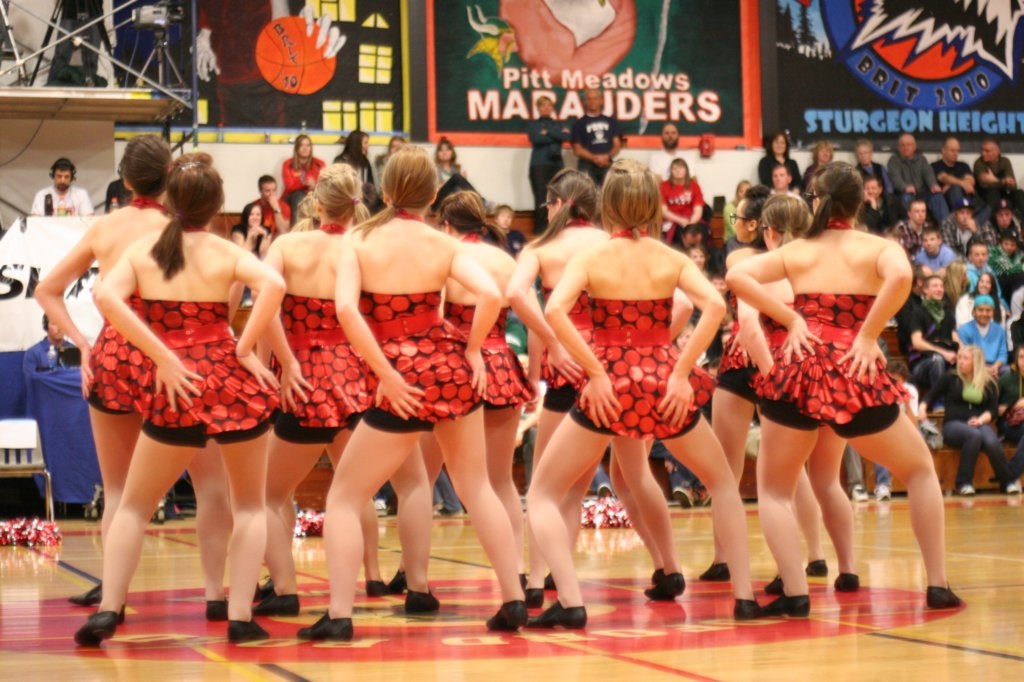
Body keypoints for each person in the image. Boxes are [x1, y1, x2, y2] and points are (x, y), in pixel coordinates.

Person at [527, 158, 761, 628]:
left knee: (543, 494)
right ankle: (745, 597)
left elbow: (553, 311)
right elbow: (714, 306)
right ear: (654, 205)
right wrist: (681, 371)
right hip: (662, 378)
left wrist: (594, 371)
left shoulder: (591, 258)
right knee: (721, 482)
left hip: (611, 383)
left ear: (608, 206)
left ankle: (569, 600)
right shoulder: (670, 258)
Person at [304, 145, 526, 641]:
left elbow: (346, 311)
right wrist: (473, 350)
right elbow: (492, 294)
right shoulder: (443, 243)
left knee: (345, 496)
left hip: (400, 373)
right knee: (476, 486)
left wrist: (385, 373)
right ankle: (513, 598)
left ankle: (339, 614)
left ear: (384, 191)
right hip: (449, 367)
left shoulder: (359, 240)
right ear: (431, 195)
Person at [727, 161, 960, 613]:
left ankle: (796, 593)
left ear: (817, 200)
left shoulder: (799, 250)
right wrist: (868, 335)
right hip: (854, 368)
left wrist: (792, 319)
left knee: (774, 490)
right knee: (918, 472)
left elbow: (738, 277)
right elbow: (902, 277)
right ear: (860, 203)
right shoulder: (878, 247)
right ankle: (937, 585)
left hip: (799, 367)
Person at [74, 152, 286, 646]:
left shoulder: (145, 249)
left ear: (171, 201)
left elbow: (104, 298)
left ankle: (109, 609)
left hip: (176, 383)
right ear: (217, 205)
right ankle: (239, 616)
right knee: (248, 506)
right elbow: (274, 285)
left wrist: (162, 355)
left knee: (132, 506)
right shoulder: (225, 251)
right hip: (229, 381)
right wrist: (243, 348)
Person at [36, 136, 211, 612]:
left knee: (117, 490)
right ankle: (221, 595)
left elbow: (47, 290)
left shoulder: (107, 226)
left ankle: (111, 593)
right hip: (175, 357)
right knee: (208, 485)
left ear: (126, 180)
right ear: (169, 174)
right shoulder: (182, 226)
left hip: (116, 355)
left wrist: (83, 344)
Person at [254, 163, 395, 617]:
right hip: (355, 376)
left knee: (267, 495)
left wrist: (286, 362)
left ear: (316, 204)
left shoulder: (287, 245)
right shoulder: (365, 249)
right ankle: (373, 575)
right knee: (354, 491)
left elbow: (264, 309)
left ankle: (285, 588)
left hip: (305, 376)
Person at [437, 190, 535, 592]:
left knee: (430, 477)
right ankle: (517, 569)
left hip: (458, 365)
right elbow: (532, 318)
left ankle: (415, 578)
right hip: (503, 365)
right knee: (501, 480)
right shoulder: (505, 260)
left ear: (446, 225)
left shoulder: (446, 256)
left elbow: (437, 319)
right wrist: (536, 372)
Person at [919, 346, 1017, 495]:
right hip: (953, 425)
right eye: (959, 358)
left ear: (975, 362)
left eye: (965, 359)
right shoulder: (950, 377)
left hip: (979, 423)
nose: (960, 362)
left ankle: (1008, 482)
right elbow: (930, 396)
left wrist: (980, 420)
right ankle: (964, 483)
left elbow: (993, 410)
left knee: (991, 441)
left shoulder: (988, 383)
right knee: (974, 435)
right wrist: (922, 408)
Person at [908, 274, 959, 392]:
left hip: (947, 360)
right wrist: (944, 353)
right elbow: (917, 342)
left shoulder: (948, 314)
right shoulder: (918, 313)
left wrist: (965, 354)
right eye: (935, 286)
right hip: (922, 363)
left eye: (941, 286)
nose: (939, 289)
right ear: (925, 290)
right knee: (938, 359)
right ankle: (938, 400)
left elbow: (955, 338)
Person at [527, 96, 570, 232]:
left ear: (552, 108)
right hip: (539, 164)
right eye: (543, 105)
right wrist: (556, 135)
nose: (546, 108)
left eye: (549, 105)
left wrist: (547, 132)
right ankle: (540, 231)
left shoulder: (559, 124)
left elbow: (567, 137)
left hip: (557, 165)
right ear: (538, 108)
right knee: (541, 198)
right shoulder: (533, 124)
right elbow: (536, 138)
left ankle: (557, 229)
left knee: (558, 197)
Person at [887, 133, 947, 221]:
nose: (905, 147)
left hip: (922, 193)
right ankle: (910, 227)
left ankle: (945, 226)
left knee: (937, 197)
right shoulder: (893, 160)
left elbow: (928, 173)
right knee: (906, 198)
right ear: (898, 148)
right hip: (903, 193)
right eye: (902, 145)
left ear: (914, 146)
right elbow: (895, 178)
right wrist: (905, 187)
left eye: (908, 145)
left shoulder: (922, 159)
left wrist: (933, 185)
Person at [571, 87, 621, 186]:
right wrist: (595, 158)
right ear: (585, 102)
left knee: (609, 193)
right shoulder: (578, 124)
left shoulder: (611, 122)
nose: (592, 101)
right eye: (589, 99)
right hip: (586, 165)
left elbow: (617, 144)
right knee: (587, 193)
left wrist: (607, 157)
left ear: (601, 100)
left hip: (607, 163)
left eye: (595, 98)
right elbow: (577, 149)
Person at [47, 0, 102, 87]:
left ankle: (89, 89)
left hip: (93, 10)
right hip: (69, 10)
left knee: (91, 58)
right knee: (61, 56)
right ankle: (53, 88)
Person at [995, 345, 1024, 493]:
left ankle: (1008, 477)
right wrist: (1009, 406)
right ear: (1017, 359)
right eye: (1022, 357)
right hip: (1009, 424)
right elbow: (993, 405)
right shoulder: (1007, 379)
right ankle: (1010, 477)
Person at [956, 295, 1008, 377]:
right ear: (973, 312)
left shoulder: (999, 330)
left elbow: (1003, 354)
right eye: (980, 310)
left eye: (988, 310)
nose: (984, 313)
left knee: (1008, 371)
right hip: (973, 367)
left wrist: (996, 366)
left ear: (993, 312)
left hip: (995, 367)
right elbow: (965, 355)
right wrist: (983, 369)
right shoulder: (964, 330)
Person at [660, 158, 705, 246]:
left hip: (691, 219)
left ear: (686, 170)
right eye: (674, 168)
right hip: (673, 220)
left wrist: (690, 224)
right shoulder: (663, 186)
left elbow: (698, 210)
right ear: (670, 171)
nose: (678, 171)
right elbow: (663, 211)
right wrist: (681, 221)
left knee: (702, 231)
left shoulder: (694, 186)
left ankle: (699, 253)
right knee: (679, 234)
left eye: (680, 168)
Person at [281, 134, 326, 220]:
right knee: (299, 195)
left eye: (308, 145)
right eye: (302, 145)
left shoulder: (319, 163)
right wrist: (304, 183)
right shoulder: (288, 164)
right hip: (292, 196)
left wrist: (315, 185)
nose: (305, 148)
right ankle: (298, 226)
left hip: (313, 194)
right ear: (296, 148)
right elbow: (289, 186)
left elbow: (325, 184)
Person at [932, 136, 979, 218]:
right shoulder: (935, 166)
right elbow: (943, 177)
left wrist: (951, 183)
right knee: (955, 188)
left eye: (957, 151)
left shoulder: (963, 165)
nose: (955, 153)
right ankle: (959, 219)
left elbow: (971, 181)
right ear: (943, 150)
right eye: (952, 150)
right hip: (946, 202)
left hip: (967, 199)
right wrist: (961, 183)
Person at [974, 137, 1021, 213]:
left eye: (987, 151)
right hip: (987, 194)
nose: (983, 153)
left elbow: (1012, 186)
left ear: (997, 151)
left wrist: (995, 180)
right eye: (982, 150)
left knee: (1019, 193)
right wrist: (1003, 182)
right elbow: (984, 185)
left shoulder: (1005, 161)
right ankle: (994, 218)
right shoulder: (979, 163)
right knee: (992, 192)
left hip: (1004, 193)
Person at [333, 130, 378, 209]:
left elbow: (371, 186)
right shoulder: (341, 161)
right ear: (357, 144)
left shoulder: (365, 162)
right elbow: (336, 187)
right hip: (344, 205)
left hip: (364, 205)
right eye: (365, 143)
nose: (368, 146)